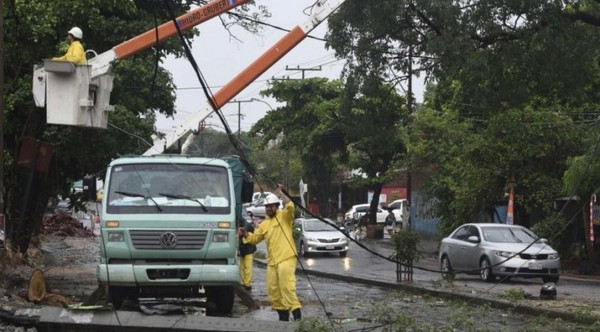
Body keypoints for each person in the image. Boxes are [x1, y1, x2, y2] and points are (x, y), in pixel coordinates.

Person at [238, 185, 302, 322]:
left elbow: (290, 206)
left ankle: (297, 317)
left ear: (277, 206)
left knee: (287, 287)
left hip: (286, 257)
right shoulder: (265, 224)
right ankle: (283, 319)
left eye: (271, 206)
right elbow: (255, 239)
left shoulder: (284, 216)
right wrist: (245, 234)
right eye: (267, 207)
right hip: (272, 262)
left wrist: (282, 193)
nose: (269, 209)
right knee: (273, 291)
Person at [238, 213, 257, 292]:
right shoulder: (243, 224)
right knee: (242, 267)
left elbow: (247, 235)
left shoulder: (247, 225)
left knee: (247, 267)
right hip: (243, 249)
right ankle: (244, 282)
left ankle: (247, 284)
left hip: (248, 249)